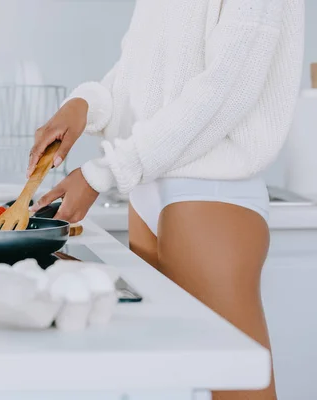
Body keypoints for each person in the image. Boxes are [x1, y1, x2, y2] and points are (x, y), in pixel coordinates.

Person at [28, 1, 304, 399]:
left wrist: (100, 173)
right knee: (163, 386)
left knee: (238, 387)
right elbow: (143, 73)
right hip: (149, 191)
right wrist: (86, 105)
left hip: (209, 198)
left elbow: (225, 91)